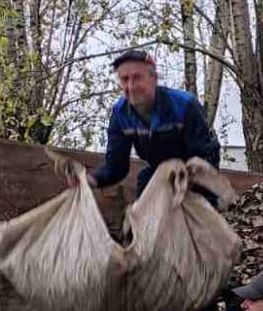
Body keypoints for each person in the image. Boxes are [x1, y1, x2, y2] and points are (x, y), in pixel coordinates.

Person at [80, 48, 221, 199]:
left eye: (137, 78)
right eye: (124, 79)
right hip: (159, 170)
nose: (131, 86)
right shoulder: (121, 113)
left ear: (154, 78)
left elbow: (202, 158)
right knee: (145, 186)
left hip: (199, 173)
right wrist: (91, 180)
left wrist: (179, 187)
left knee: (194, 204)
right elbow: (116, 167)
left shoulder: (184, 105)